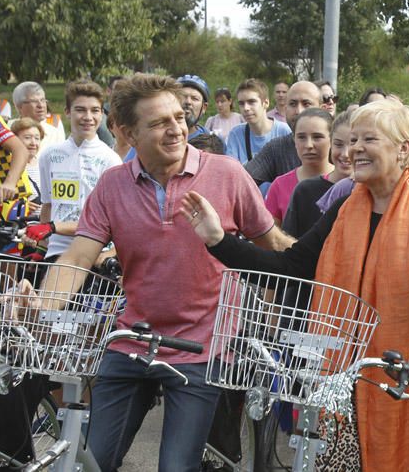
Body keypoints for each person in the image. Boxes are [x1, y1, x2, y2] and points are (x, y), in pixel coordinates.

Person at [184, 98, 409, 471]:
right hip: (347, 373)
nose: (353, 150)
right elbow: (291, 265)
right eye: (351, 140)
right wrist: (218, 241)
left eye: (367, 139)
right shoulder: (345, 207)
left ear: (404, 148)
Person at [33, 73, 292, 471]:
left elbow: (273, 247)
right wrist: (43, 307)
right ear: (124, 131)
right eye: (159, 123)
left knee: (176, 466)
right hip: (131, 340)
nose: (177, 129)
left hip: (203, 348)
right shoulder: (112, 184)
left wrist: (323, 260)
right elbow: (77, 258)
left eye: (179, 116)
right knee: (93, 461)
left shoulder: (225, 173)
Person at [21, 80, 122, 261]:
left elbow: (109, 222)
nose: (88, 117)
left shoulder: (111, 160)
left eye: (95, 110)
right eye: (80, 110)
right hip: (55, 252)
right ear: (67, 112)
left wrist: (53, 227)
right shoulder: (49, 155)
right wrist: (42, 249)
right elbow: (48, 205)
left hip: (92, 256)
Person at [283, 110, 352, 238]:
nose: (345, 153)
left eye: (353, 143)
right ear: (330, 142)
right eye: (338, 144)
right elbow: (288, 245)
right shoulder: (305, 191)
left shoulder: (374, 194)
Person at [244, 81, 322, 188]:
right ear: (285, 109)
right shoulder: (276, 148)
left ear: (321, 108)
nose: (298, 111)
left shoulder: (337, 146)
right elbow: (242, 181)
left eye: (306, 104)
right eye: (293, 104)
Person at [265, 108, 333, 226]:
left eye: (317, 137)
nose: (309, 145)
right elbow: (271, 238)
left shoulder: (346, 182)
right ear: (294, 140)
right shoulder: (280, 185)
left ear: (332, 139)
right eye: (301, 137)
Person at [123, 73, 212, 162]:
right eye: (183, 96)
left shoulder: (211, 141)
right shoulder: (146, 139)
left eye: (194, 98)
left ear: (204, 107)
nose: (188, 102)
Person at [226, 79, 290, 164]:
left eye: (251, 102)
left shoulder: (284, 131)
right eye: (241, 103)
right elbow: (231, 171)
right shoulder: (236, 134)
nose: (246, 108)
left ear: (266, 103)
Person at [11, 82, 65, 151]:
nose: (41, 105)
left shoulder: (55, 134)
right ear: (19, 106)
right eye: (34, 101)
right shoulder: (7, 132)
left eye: (43, 100)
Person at [10, 118, 44, 214]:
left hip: (47, 226)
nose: (33, 143)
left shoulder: (45, 164)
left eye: (37, 138)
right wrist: (20, 206)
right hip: (21, 226)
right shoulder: (7, 167)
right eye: (27, 137)